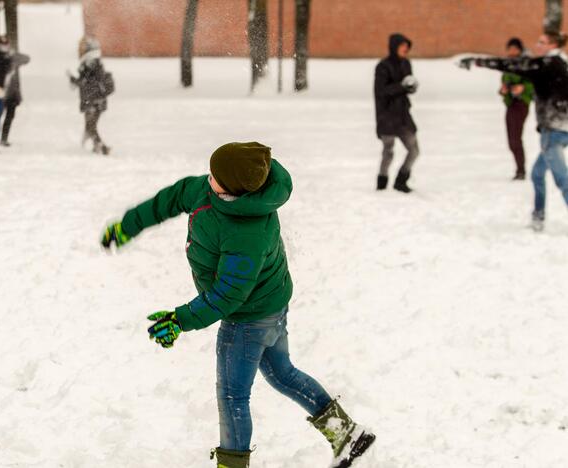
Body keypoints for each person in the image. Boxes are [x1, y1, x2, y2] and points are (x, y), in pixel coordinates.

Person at [101, 142, 376, 468]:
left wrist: (180, 319)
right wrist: (128, 226)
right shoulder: (207, 191)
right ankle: (347, 434)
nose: (209, 177)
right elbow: (170, 198)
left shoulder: (247, 233)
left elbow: (228, 294)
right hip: (269, 305)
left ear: (234, 188)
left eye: (216, 174)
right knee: (282, 373)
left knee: (233, 396)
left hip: (248, 318)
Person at [459, 32, 568, 231]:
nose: (538, 45)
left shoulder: (546, 64)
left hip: (552, 131)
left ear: (553, 44)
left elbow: (511, 65)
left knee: (563, 180)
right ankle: (538, 218)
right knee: (537, 175)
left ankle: (538, 218)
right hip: (562, 128)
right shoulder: (562, 63)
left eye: (542, 42)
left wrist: (477, 61)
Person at [374, 33, 420, 193]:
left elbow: (407, 86)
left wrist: (411, 87)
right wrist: (402, 86)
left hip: (403, 116)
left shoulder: (406, 63)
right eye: (402, 46)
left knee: (414, 150)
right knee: (388, 151)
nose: (405, 49)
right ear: (394, 47)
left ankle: (401, 180)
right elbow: (381, 91)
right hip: (387, 116)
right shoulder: (383, 66)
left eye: (407, 47)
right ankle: (382, 182)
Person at [69, 37, 112, 155]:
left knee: (90, 125)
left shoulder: (91, 64)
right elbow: (86, 82)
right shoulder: (91, 63)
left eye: (82, 48)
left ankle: (102, 147)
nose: (79, 50)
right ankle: (97, 146)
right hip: (93, 100)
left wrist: (76, 81)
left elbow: (87, 82)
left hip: (94, 101)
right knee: (90, 125)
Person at [500, 38, 534, 180]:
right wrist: (504, 90)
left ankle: (521, 170)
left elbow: (532, 83)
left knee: (515, 139)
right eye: (510, 48)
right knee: (511, 140)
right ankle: (520, 169)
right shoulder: (508, 65)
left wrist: (523, 87)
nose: (512, 51)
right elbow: (504, 83)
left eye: (515, 48)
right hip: (510, 104)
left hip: (521, 104)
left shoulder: (525, 65)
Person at [0, 52, 31, 147]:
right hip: (3, 95)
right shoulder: (1, 63)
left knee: (9, 118)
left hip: (13, 96)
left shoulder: (14, 61)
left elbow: (27, 58)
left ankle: (3, 138)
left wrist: (13, 54)